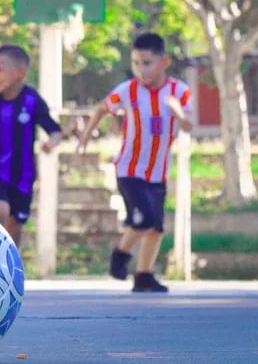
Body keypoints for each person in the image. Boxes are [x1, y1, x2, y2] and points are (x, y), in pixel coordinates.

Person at [77, 32, 193, 293]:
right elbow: (101, 109)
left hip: (158, 171)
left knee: (157, 227)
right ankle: (120, 254)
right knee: (145, 219)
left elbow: (188, 124)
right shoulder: (128, 90)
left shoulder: (180, 91)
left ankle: (144, 276)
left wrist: (176, 111)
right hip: (129, 169)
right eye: (136, 63)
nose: (141, 69)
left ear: (164, 62)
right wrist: (85, 138)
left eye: (147, 63)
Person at [0, 44, 62, 248]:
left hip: (22, 173)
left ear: (20, 73)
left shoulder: (32, 101)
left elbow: (55, 129)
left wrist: (51, 143)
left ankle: (11, 263)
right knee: (0, 210)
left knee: (16, 223)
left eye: (0, 70)